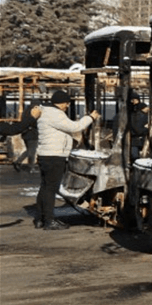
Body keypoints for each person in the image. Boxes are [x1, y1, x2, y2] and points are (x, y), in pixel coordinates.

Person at [35, 90, 98, 230]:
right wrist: (90, 118)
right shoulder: (54, 114)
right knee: (51, 189)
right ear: (61, 103)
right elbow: (75, 126)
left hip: (46, 155)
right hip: (54, 156)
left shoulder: (46, 112)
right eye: (67, 103)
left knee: (45, 187)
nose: (68, 106)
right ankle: (49, 221)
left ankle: (40, 219)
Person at [2, 103, 42, 172]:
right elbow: (13, 129)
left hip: (26, 134)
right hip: (32, 134)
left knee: (29, 150)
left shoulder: (25, 112)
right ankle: (30, 167)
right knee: (31, 151)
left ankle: (18, 161)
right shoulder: (34, 113)